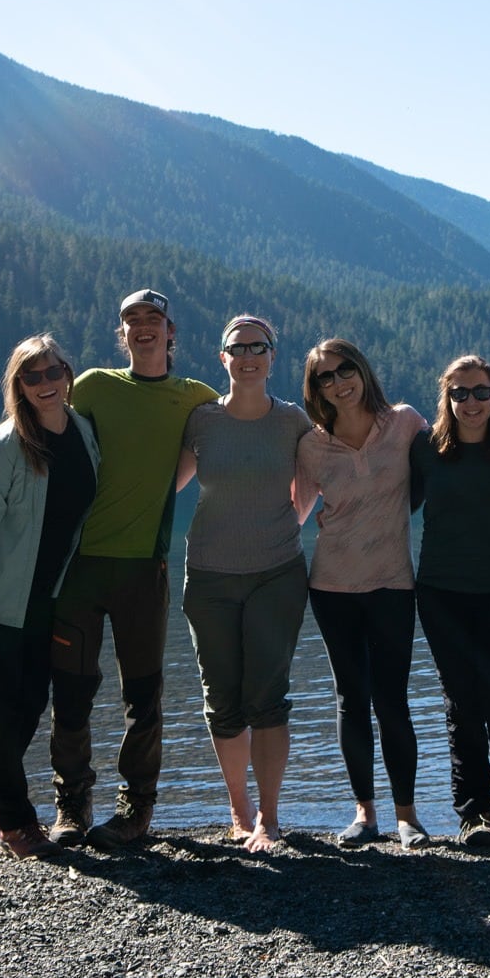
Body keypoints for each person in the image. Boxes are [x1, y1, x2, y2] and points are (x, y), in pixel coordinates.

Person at [0, 288, 216, 850]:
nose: (144, 328)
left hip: (143, 571)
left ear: (172, 331)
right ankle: (72, 806)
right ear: (120, 334)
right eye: (132, 321)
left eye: (154, 319)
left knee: (143, 697)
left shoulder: (196, 397)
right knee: (70, 695)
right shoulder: (96, 385)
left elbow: (239, 427)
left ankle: (135, 809)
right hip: (78, 574)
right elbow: (39, 415)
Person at [0, 334, 100, 858]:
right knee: (1, 712)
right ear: (18, 385)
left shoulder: (83, 431)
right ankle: (15, 824)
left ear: (67, 374)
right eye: (31, 376)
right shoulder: (6, 448)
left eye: (52, 372)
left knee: (30, 706)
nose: (44, 384)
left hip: (44, 600)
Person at [173, 315, 312, 854]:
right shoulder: (202, 421)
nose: (249, 354)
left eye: (260, 346)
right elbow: (168, 481)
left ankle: (269, 819)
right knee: (222, 698)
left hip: (276, 575)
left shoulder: (293, 422)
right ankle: (239, 810)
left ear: (273, 357)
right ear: (222, 358)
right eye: (239, 347)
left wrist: (287, 527)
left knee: (268, 697)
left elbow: (312, 484)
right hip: (209, 576)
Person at [294, 339, 431, 848]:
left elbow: (439, 467)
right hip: (330, 586)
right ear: (316, 391)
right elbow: (295, 513)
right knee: (351, 698)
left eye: (344, 369)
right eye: (325, 378)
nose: (338, 382)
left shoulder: (405, 422)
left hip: (394, 582)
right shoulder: (311, 444)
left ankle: (407, 817)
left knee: (392, 698)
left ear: (362, 369)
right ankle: (364, 815)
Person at [409, 355, 490, 847]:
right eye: (460, 393)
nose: (470, 402)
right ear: (446, 397)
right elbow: (391, 496)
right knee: (461, 704)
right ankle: (474, 814)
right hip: (441, 592)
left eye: (480, 392)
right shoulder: (425, 448)